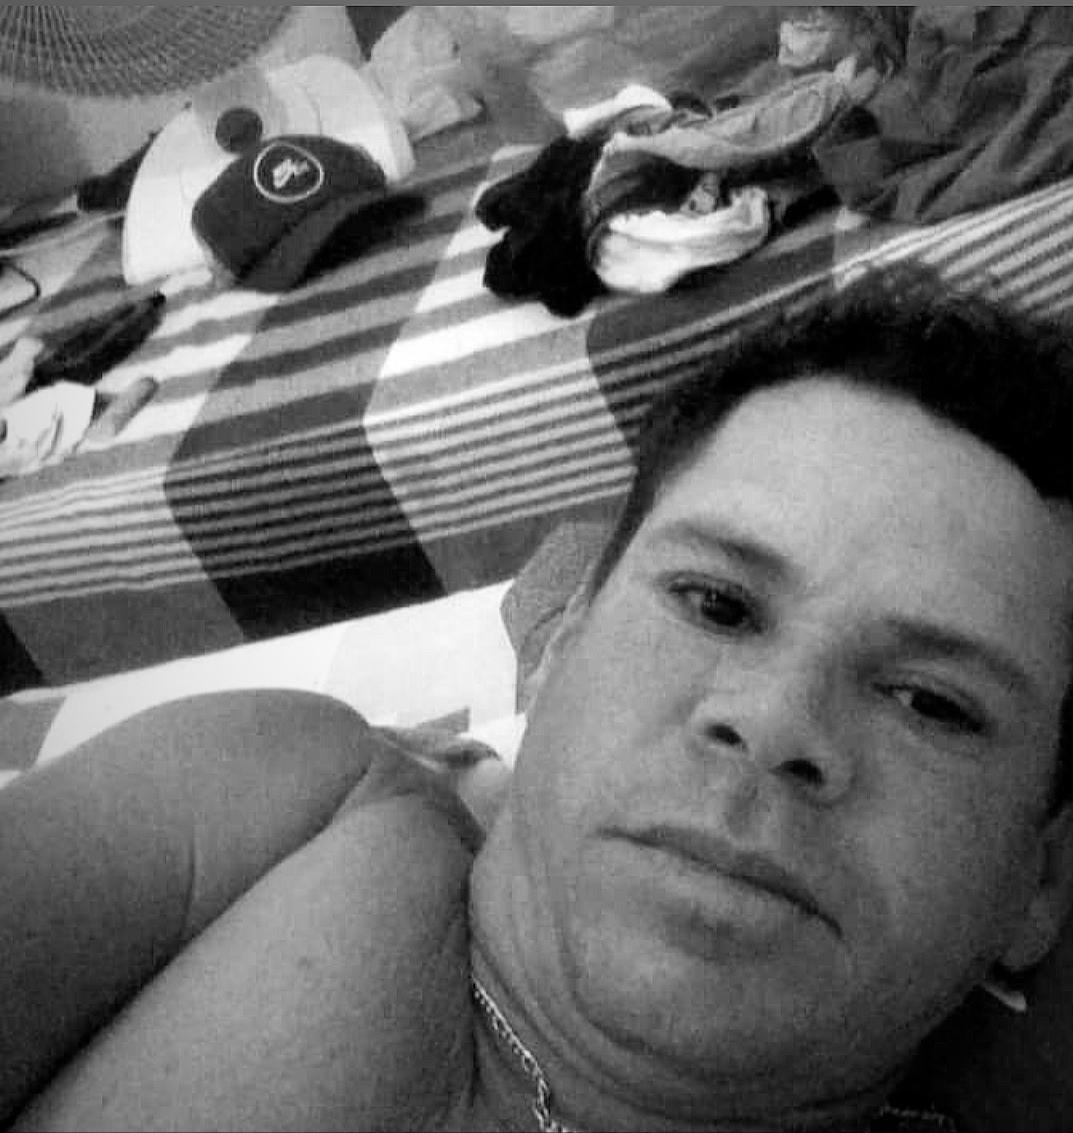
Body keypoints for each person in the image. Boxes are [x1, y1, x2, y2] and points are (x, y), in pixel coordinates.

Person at [3, 264, 1073, 1133]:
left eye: (931, 702)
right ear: (559, 646)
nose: (775, 720)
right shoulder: (285, 801)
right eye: (715, 603)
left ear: (1040, 880)